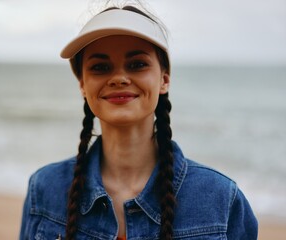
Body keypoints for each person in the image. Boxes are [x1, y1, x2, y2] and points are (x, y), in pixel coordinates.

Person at [19, 4, 258, 240]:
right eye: (100, 67)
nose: (119, 78)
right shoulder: (44, 189)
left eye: (137, 64)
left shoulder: (221, 199)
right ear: (83, 84)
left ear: (164, 79)